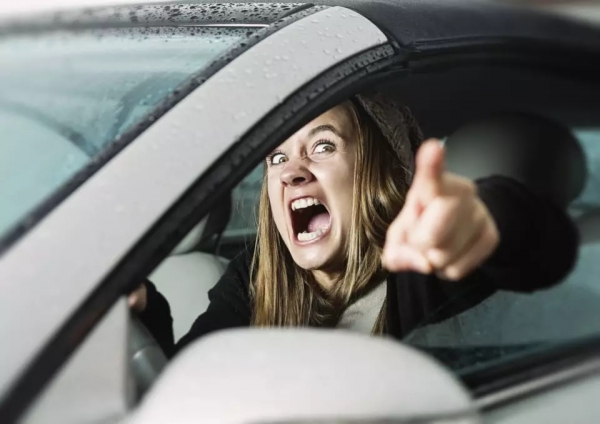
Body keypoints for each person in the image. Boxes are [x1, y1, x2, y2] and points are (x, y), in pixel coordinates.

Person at [130, 92, 578, 358]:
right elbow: (185, 388)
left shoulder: (424, 267)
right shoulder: (256, 276)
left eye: (322, 146)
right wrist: (147, 311)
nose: (292, 172)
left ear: (376, 173)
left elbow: (548, 249)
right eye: (277, 157)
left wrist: (486, 217)